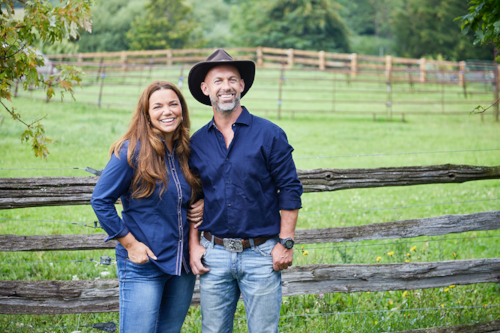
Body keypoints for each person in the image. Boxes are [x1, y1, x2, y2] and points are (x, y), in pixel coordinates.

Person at [187, 49, 303, 333]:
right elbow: (192, 199)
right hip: (214, 255)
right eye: (217, 81)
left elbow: (289, 188)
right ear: (205, 89)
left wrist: (285, 243)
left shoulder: (269, 134)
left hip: (261, 253)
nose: (225, 87)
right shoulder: (197, 142)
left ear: (241, 85)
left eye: (232, 80)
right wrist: (193, 244)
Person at [91, 81, 204, 333]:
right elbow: (100, 200)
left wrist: (203, 202)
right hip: (144, 264)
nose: (167, 111)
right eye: (158, 106)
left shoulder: (187, 151)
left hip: (181, 266)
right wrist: (130, 245)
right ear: (147, 114)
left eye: (173, 104)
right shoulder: (131, 151)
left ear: (182, 110)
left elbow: (200, 190)